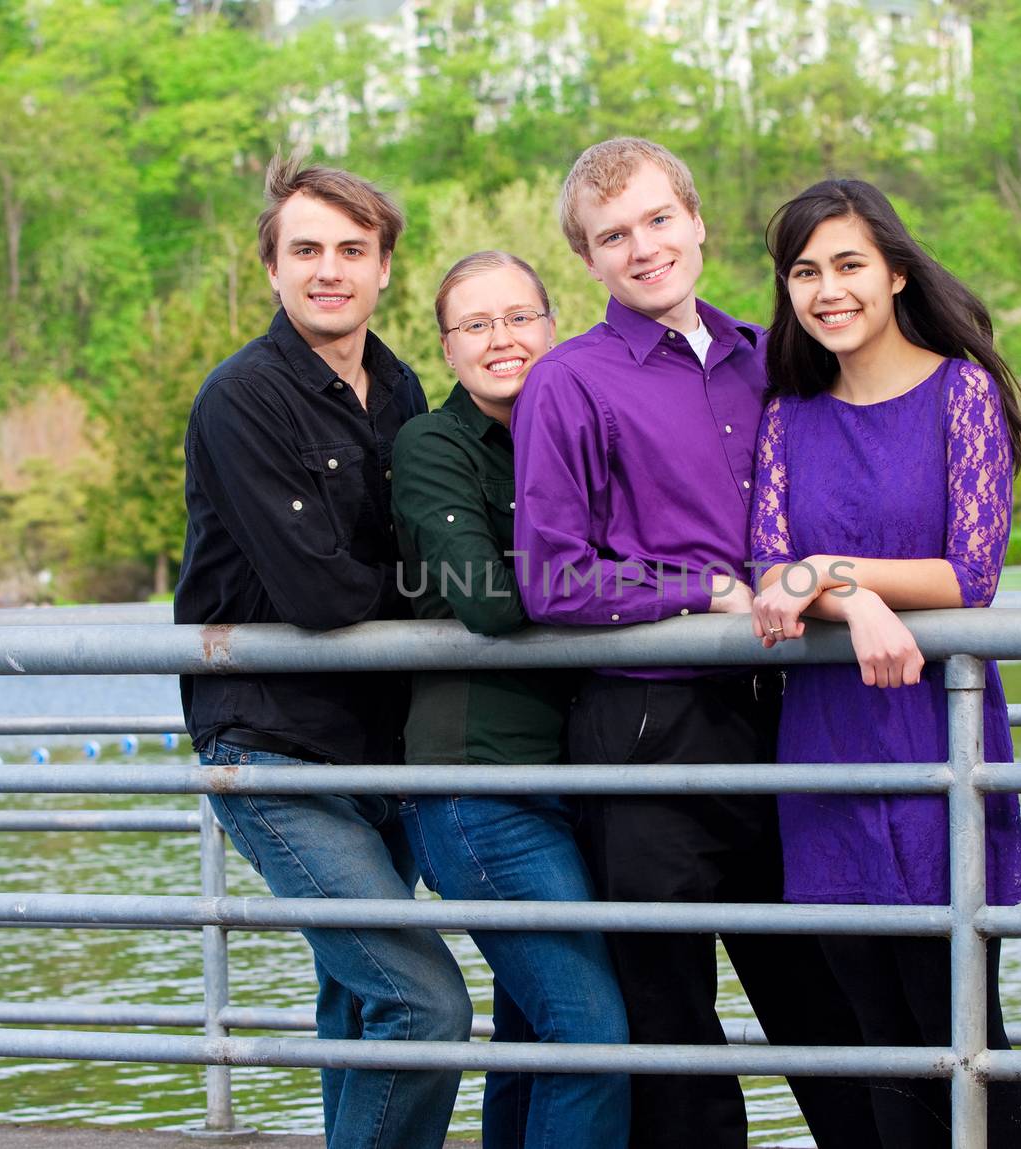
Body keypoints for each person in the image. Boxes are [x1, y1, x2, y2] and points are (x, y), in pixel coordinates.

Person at [511, 137, 876, 1149]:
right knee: (673, 1026)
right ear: (588, 261)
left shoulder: (775, 357)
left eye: (658, 219)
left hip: (787, 717)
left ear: (698, 219)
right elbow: (551, 577)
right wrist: (705, 593)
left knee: (825, 995)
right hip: (646, 730)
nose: (642, 247)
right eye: (612, 235)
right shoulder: (568, 383)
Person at [173, 153, 472, 1149]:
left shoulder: (399, 385)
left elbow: (415, 539)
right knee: (424, 1005)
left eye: (353, 249)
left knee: (358, 1011)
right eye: (306, 249)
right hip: (270, 744)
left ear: (385, 267)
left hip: (380, 744)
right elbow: (319, 593)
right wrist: (464, 591)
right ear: (272, 266)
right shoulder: (239, 399)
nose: (329, 269)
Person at [748, 177, 1021, 1147]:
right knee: (875, 1035)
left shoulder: (961, 393)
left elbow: (973, 572)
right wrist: (855, 597)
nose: (826, 289)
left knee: (960, 1030)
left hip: (934, 732)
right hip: (826, 744)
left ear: (896, 273)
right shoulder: (788, 414)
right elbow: (766, 569)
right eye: (803, 271)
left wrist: (831, 572)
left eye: (847, 265)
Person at [391, 251, 630, 1148]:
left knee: (535, 1037)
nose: (503, 340)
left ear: (553, 324)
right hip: (478, 789)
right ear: (448, 348)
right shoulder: (433, 446)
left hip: (578, 777)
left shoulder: (575, 432)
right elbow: (490, 600)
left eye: (520, 317)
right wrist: (615, 572)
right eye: (476, 325)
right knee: (594, 1035)